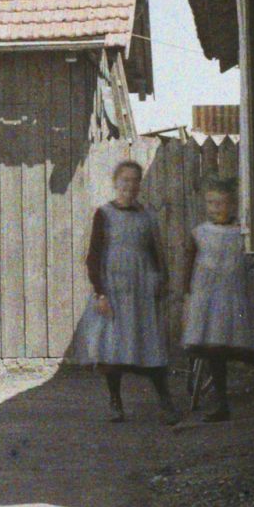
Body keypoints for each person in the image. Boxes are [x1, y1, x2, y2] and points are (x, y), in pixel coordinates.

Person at [74, 158, 180, 424]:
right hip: (114, 291)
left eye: (135, 181)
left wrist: (160, 281)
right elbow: (93, 256)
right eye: (124, 181)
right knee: (113, 349)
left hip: (142, 292)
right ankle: (115, 402)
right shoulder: (104, 214)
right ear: (115, 183)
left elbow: (155, 254)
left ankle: (165, 402)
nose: (129, 186)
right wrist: (100, 293)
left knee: (151, 347)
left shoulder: (147, 216)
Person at [179, 175, 254, 422]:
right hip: (206, 299)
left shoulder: (240, 234)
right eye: (211, 203)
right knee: (213, 350)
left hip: (232, 299)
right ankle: (221, 404)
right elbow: (189, 264)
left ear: (233, 205)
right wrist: (187, 294)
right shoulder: (200, 233)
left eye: (221, 203)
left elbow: (251, 264)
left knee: (241, 348)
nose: (216, 209)